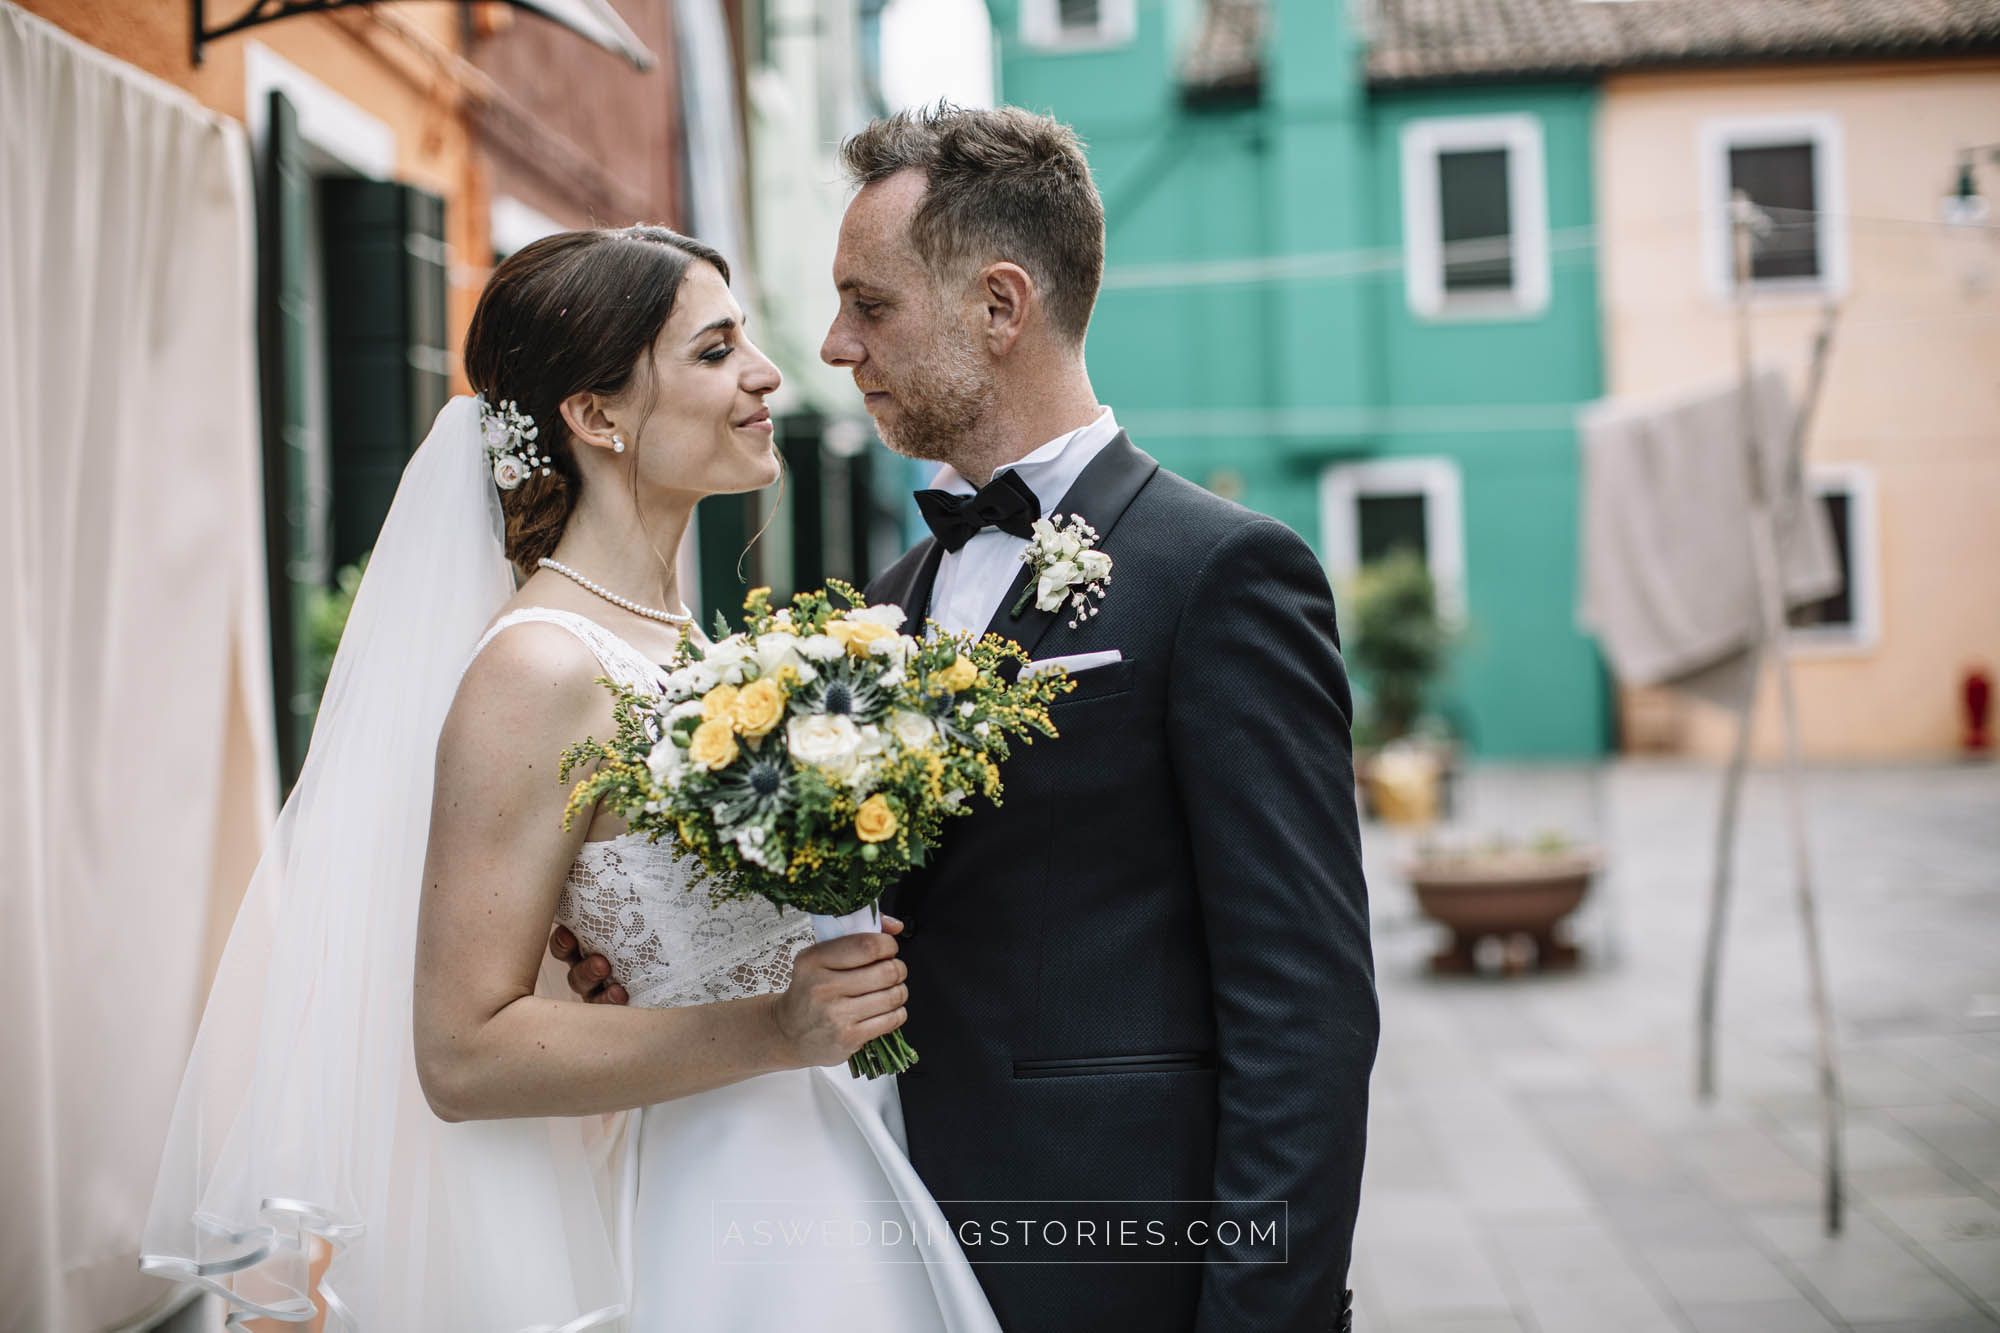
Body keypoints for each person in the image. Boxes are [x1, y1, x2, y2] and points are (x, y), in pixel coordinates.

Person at [559, 107, 1378, 1332]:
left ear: (1000, 306)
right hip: (872, 1237)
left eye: (869, 304)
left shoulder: (1220, 574)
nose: (833, 346)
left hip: (1121, 1262)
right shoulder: (883, 609)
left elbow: (1304, 1008)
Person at [143, 226, 1000, 1331]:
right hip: (720, 1196)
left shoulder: (689, 651)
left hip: (827, 1151)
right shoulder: (539, 666)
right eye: (712, 350)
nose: (766, 373)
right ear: (596, 418)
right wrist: (774, 1029)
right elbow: (461, 1050)